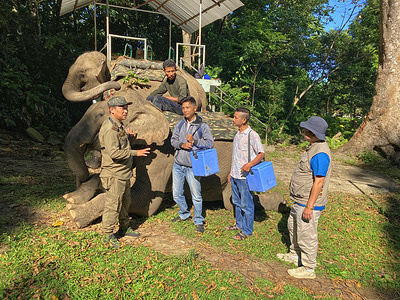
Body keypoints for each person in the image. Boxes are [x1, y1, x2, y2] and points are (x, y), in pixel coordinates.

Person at [277, 116, 332, 279]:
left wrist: (310, 206)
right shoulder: (313, 147)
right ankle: (295, 255)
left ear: (313, 132)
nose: (303, 131)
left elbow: (319, 181)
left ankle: (308, 268)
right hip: (299, 200)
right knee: (294, 227)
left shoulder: (320, 153)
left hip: (308, 203)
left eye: (306, 129)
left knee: (306, 234)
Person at [99, 96, 151, 248]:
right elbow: (114, 153)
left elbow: (120, 145)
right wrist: (136, 153)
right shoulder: (110, 129)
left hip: (123, 173)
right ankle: (108, 234)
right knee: (113, 204)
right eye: (122, 108)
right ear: (112, 110)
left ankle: (124, 227)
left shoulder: (118, 126)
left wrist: (129, 138)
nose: (125, 111)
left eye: (126, 108)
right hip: (114, 174)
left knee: (125, 202)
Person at [170, 96, 214, 233]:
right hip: (178, 164)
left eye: (187, 107)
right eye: (183, 108)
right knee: (176, 193)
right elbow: (173, 140)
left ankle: (199, 220)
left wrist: (195, 141)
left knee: (196, 195)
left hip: (193, 165)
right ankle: (184, 213)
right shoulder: (180, 124)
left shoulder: (202, 126)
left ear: (195, 108)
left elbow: (209, 143)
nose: (185, 110)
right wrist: (181, 144)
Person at [226, 107, 265, 240]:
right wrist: (231, 172)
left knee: (247, 204)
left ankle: (247, 231)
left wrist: (250, 164)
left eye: (235, 117)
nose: (233, 119)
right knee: (237, 202)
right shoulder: (237, 134)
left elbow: (261, 153)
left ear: (243, 120)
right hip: (236, 175)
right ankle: (239, 224)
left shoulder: (251, 135)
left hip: (245, 177)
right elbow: (235, 156)